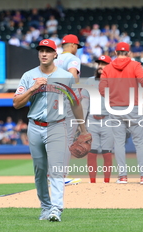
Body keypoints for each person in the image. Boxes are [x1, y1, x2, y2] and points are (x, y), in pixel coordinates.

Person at [13, 39, 88, 222]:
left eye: (48, 50)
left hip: (57, 125)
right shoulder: (29, 75)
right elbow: (16, 103)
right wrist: (33, 88)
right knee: (40, 171)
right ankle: (45, 207)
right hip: (35, 127)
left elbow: (75, 103)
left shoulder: (65, 76)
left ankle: (56, 208)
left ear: (56, 54)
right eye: (41, 50)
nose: (44, 54)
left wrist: (83, 129)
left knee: (56, 169)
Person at [99, 42, 143, 185]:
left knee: (118, 143)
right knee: (139, 142)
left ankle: (122, 177)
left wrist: (113, 99)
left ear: (116, 53)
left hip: (115, 108)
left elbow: (101, 89)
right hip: (133, 107)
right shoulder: (135, 65)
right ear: (129, 53)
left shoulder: (108, 68)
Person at [54, 34, 83, 186]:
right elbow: (73, 74)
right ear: (72, 45)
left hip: (51, 100)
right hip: (66, 100)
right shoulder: (73, 58)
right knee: (67, 139)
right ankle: (61, 176)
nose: (77, 49)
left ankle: (52, 174)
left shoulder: (54, 58)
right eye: (77, 46)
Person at [82, 55, 113, 183]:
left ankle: (106, 182)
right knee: (91, 152)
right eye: (99, 63)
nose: (100, 66)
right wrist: (82, 125)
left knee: (107, 152)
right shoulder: (89, 81)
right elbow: (84, 104)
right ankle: (92, 182)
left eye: (104, 64)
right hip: (92, 120)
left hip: (108, 120)